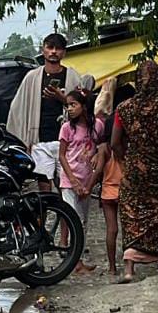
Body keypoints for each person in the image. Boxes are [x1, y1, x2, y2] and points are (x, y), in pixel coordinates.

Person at [110, 61, 158, 283]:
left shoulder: (124, 108)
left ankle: (129, 268)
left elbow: (115, 142)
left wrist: (127, 162)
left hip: (134, 172)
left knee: (132, 215)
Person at [7, 33, 82, 191]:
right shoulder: (32, 77)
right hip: (40, 139)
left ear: (64, 52)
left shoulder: (73, 76)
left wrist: (63, 99)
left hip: (66, 142)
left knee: (66, 186)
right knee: (43, 182)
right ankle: (46, 207)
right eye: (50, 47)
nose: (54, 51)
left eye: (58, 48)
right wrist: (24, 141)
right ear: (43, 50)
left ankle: (63, 209)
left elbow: (82, 108)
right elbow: (17, 109)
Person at [58, 91, 103, 274]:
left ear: (83, 106)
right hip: (69, 181)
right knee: (74, 219)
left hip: (87, 180)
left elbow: (102, 148)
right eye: (67, 105)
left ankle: (78, 259)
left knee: (83, 221)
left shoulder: (97, 126)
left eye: (73, 104)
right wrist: (73, 180)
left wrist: (89, 184)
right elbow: (62, 155)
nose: (69, 109)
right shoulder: (67, 128)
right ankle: (74, 261)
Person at [94, 79, 135, 275]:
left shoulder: (103, 149)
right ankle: (129, 266)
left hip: (107, 191)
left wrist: (91, 187)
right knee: (128, 228)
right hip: (125, 188)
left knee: (111, 230)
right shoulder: (127, 146)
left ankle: (112, 268)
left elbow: (98, 171)